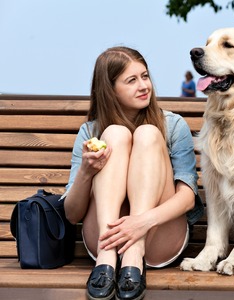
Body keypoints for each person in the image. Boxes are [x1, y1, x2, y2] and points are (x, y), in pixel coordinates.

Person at [63, 46, 203, 300]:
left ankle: (134, 253)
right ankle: (106, 258)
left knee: (148, 133)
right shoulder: (90, 132)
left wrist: (142, 223)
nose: (144, 86)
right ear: (110, 90)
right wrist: (86, 171)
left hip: (158, 236)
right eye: (131, 80)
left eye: (145, 76)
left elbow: (187, 198)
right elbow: (72, 214)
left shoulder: (171, 125)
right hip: (105, 240)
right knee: (115, 134)